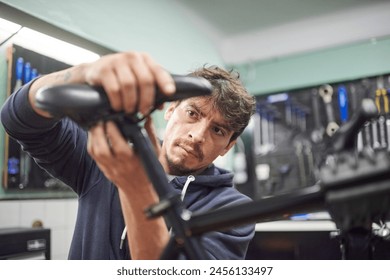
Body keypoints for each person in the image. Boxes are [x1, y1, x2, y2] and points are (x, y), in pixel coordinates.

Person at [1, 51, 256, 260]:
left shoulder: (233, 210)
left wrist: (136, 188)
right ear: (170, 110)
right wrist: (83, 73)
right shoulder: (108, 158)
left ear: (227, 146)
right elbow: (17, 120)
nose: (198, 135)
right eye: (192, 113)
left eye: (218, 130)